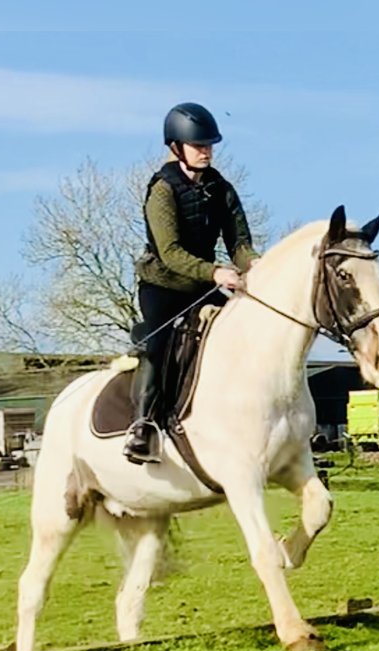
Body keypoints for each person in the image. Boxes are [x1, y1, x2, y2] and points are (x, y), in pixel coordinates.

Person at [125, 101, 260, 464]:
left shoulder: (222, 188)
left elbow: (239, 244)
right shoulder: (162, 190)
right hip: (164, 287)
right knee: (159, 345)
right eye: (198, 145)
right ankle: (143, 426)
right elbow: (169, 252)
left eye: (209, 145)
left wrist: (257, 268)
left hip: (203, 286)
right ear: (176, 148)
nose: (206, 151)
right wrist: (215, 273)